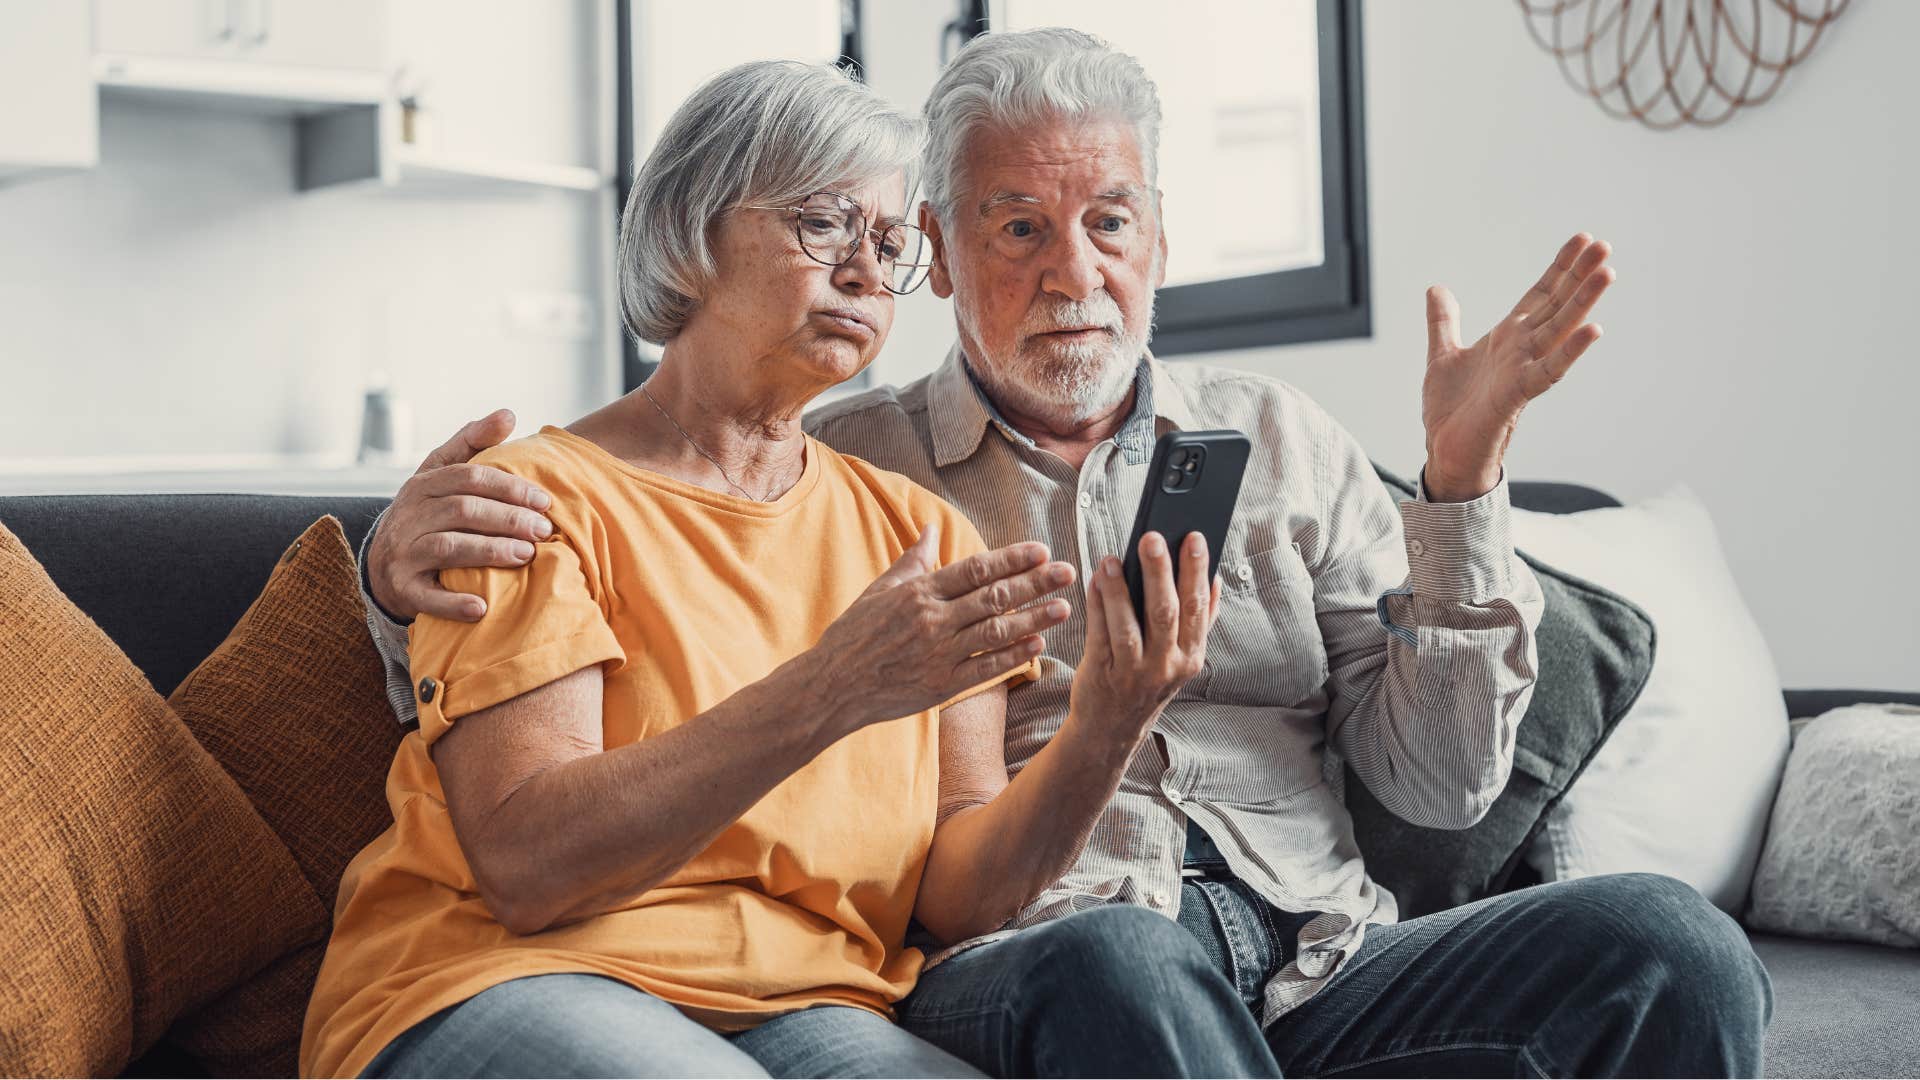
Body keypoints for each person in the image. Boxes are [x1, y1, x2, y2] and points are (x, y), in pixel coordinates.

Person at [358, 29, 1774, 1079]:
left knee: (1673, 944)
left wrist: (1456, 493)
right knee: (1122, 959)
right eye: (1016, 228)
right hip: (1062, 953)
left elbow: (1445, 790)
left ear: (1160, 238)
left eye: (1107, 224)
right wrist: (385, 569)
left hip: (1324, 948)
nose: (1071, 270)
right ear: (953, 251)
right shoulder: (865, 466)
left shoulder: (1258, 445)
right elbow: (542, 663)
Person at [299, 57, 1244, 1079]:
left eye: (888, 245)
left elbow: (955, 890)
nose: (865, 273)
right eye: (825, 224)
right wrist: (832, 688)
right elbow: (530, 867)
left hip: (816, 1003)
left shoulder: (917, 532)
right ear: (696, 231)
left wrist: (1108, 723)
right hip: (514, 973)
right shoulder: (525, 500)